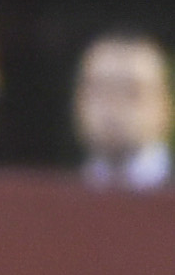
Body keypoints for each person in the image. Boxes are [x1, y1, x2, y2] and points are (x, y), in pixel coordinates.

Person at [72, 30, 174, 186]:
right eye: (100, 90)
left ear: (165, 107)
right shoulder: (52, 197)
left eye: (131, 92)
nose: (113, 103)